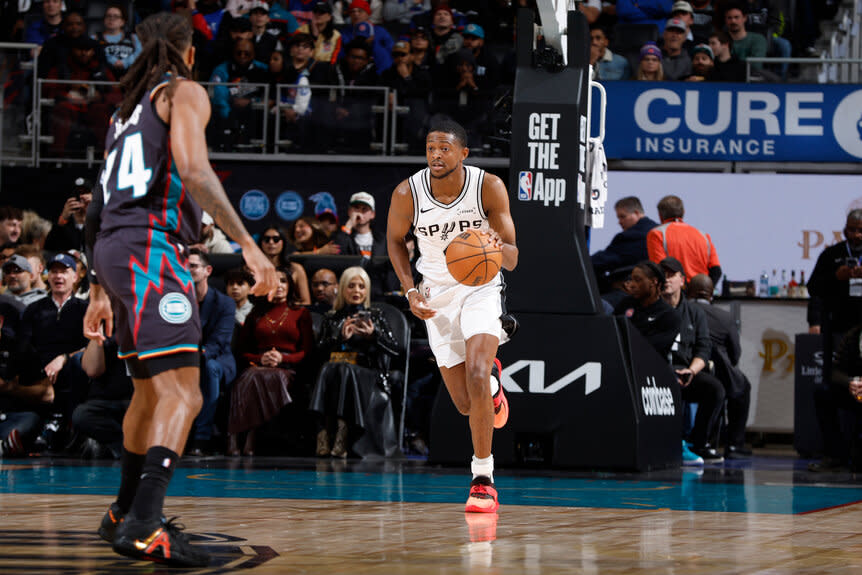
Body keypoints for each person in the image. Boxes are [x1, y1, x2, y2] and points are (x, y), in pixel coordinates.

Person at [83, 12, 278, 568]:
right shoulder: (184, 92)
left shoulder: (124, 115)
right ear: (188, 51)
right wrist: (249, 244)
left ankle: (123, 512)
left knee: (149, 391)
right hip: (148, 248)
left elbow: (95, 209)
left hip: (114, 250)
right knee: (185, 393)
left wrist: (99, 286)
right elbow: (194, 169)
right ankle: (145, 523)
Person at [386, 119, 517, 513]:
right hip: (436, 294)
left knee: (476, 374)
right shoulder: (407, 192)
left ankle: (482, 479)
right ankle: (492, 391)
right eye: (430, 149)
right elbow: (394, 240)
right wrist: (410, 290)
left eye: (444, 149)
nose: (435, 156)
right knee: (465, 403)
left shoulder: (488, 187)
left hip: (481, 286)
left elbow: (512, 258)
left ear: (463, 153)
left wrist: (496, 246)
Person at [310, 266, 400, 458]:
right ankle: (323, 433)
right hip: (335, 373)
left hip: (367, 373)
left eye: (361, 286)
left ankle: (340, 431)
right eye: (351, 286)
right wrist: (339, 338)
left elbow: (395, 350)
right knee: (331, 368)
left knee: (344, 370)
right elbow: (317, 353)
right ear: (343, 289)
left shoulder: (376, 316)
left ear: (367, 290)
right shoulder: (332, 317)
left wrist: (373, 336)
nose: (357, 291)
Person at [229, 267, 313, 456]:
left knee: (269, 378)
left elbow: (306, 352)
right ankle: (236, 435)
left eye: (283, 281)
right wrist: (261, 359)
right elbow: (243, 352)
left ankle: (250, 434)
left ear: (290, 285)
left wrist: (283, 358)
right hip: (259, 364)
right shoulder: (255, 314)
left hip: (288, 367)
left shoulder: (300, 313)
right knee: (250, 376)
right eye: (274, 281)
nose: (279, 285)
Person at [807, 210, 862, 469]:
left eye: (861, 229)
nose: (857, 235)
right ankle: (835, 454)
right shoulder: (831, 255)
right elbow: (814, 288)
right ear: (845, 229)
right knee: (829, 388)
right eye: (852, 229)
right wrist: (836, 278)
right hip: (841, 329)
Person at [660, 257, 725, 463]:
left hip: (686, 370)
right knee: (671, 387)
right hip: (659, 372)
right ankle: (670, 444)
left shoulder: (695, 313)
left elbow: (703, 348)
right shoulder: (653, 310)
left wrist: (692, 371)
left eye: (671, 275)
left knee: (715, 389)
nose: (666, 280)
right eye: (663, 276)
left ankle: (699, 443)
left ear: (682, 280)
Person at [688, 274, 752, 459]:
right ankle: (734, 444)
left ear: (688, 291)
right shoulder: (725, 317)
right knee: (742, 387)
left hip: (687, 370)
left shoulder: (682, 311)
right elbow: (735, 354)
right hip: (719, 374)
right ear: (711, 294)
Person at [186, 249, 237, 456]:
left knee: (209, 367)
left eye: (193, 266)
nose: (187, 270)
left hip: (217, 360)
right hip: (185, 356)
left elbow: (219, 342)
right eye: (184, 266)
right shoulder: (176, 300)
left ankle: (202, 437)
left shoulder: (224, 303)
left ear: (208, 270)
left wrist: (192, 358)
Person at [72, 334, 134, 459]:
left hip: (140, 399)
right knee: (82, 415)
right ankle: (126, 449)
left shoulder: (149, 321)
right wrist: (98, 332)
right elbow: (92, 370)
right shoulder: (104, 325)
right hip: (104, 403)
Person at [647, 194, 721, 284]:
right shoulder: (703, 235)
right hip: (701, 290)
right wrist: (707, 290)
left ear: (660, 215)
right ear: (683, 212)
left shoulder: (657, 234)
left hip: (677, 292)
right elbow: (716, 270)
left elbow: (659, 269)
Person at [591, 196, 658, 290]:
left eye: (623, 217)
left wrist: (585, 261)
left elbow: (604, 260)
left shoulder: (630, 236)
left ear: (636, 213)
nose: (619, 222)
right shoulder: (658, 231)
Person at [258, 225, 312, 304]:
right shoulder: (252, 269)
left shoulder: (296, 269)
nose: (271, 242)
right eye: (266, 239)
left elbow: (306, 302)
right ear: (261, 243)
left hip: (289, 312)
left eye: (276, 239)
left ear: (283, 242)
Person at [94, 2, 142, 78]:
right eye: (108, 16)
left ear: (122, 22)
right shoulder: (95, 38)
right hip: (105, 78)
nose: (111, 19)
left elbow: (140, 54)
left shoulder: (134, 38)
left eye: (116, 16)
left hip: (131, 76)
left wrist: (125, 63)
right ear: (104, 20)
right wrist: (113, 61)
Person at [45, 177, 92, 253]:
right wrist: (63, 217)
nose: (81, 197)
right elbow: (49, 247)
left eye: (85, 192)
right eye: (77, 193)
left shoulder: (99, 220)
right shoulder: (65, 224)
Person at [724, 2, 766, 70]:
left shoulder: (758, 39)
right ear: (725, 20)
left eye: (736, 17)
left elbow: (756, 66)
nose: (733, 21)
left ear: (745, 18)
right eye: (729, 18)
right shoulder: (719, 39)